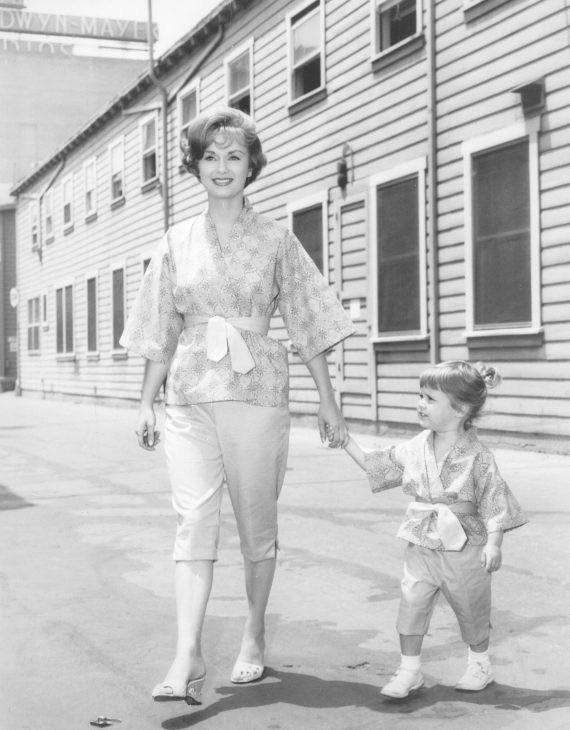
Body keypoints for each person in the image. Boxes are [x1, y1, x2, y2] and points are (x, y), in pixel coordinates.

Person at [120, 107, 354, 705]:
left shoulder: (277, 239)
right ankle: (187, 655)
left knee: (257, 529)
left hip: (257, 395)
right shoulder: (175, 241)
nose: (221, 167)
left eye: (233, 155)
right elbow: (159, 329)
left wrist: (329, 403)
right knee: (193, 522)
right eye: (209, 156)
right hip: (189, 397)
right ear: (194, 166)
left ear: (251, 165)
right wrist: (145, 403)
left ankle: (253, 632)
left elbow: (307, 321)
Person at [337, 360, 527, 698]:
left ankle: (479, 663)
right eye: (419, 395)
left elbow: (495, 501)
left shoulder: (479, 456)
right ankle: (410, 670)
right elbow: (376, 463)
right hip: (422, 539)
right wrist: (344, 438)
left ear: (460, 409)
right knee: (411, 602)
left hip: (465, 544)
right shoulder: (415, 447)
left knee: (471, 607)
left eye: (430, 398)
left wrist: (494, 544)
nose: (420, 404)